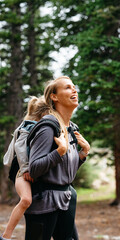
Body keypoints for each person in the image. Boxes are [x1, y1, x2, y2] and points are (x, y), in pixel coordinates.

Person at [24, 76, 90, 240]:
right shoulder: (48, 127)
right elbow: (35, 169)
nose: (74, 89)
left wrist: (83, 153)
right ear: (54, 96)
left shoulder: (71, 128)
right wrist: (59, 151)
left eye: (74, 87)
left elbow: (64, 171)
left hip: (66, 198)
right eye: (67, 87)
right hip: (44, 202)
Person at [0, 96, 50, 240]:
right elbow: (20, 148)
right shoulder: (28, 126)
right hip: (21, 171)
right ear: (44, 113)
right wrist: (26, 168)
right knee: (26, 200)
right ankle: (6, 236)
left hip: (30, 170)